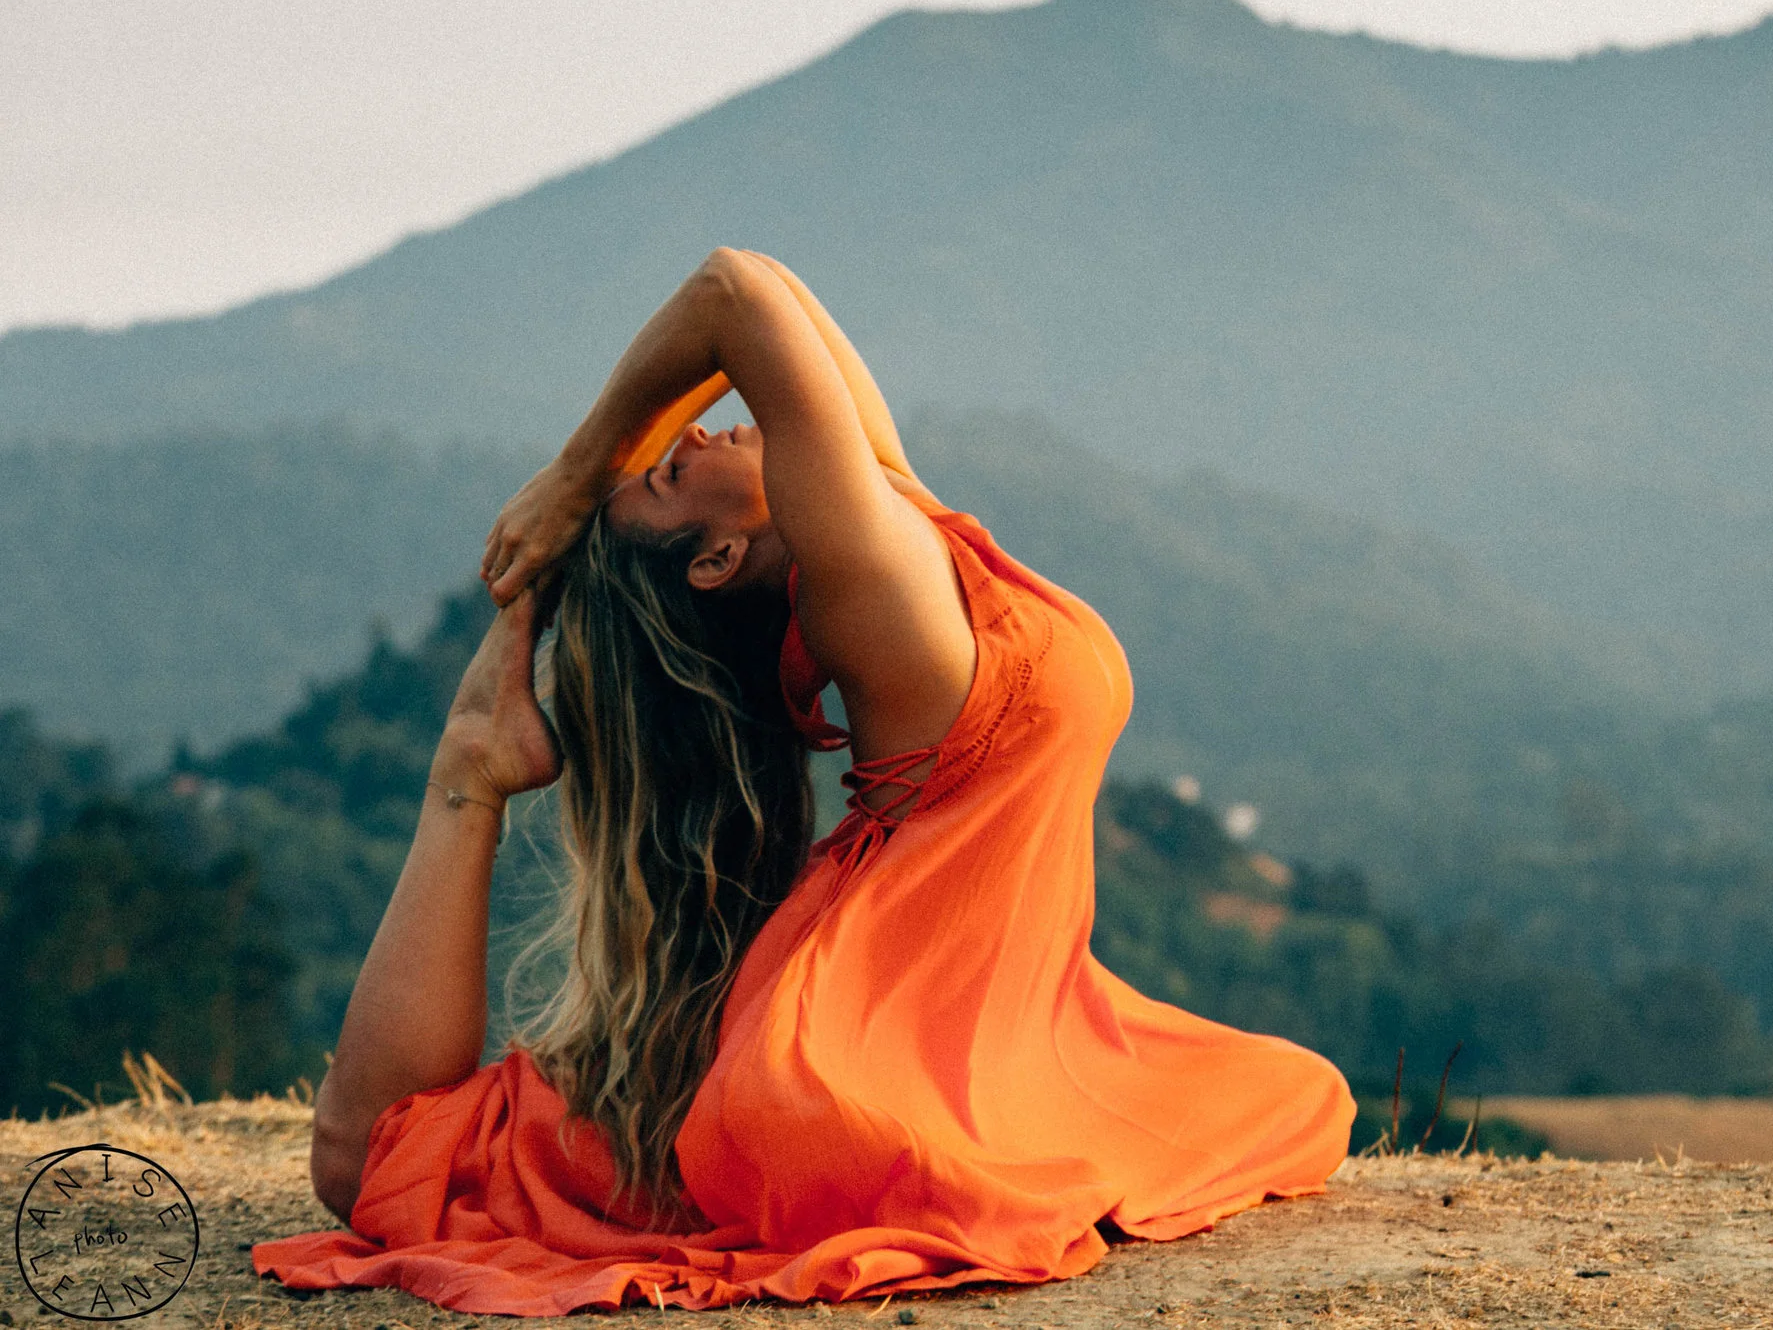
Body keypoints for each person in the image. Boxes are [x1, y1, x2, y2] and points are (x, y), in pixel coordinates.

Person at [252, 248, 1354, 1314]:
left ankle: (474, 776)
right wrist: (579, 475)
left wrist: (600, 473)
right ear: (720, 557)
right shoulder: (879, 596)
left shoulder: (898, 524)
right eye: (677, 472)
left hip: (982, 1013)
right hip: (875, 1033)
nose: (692, 430)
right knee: (372, 1167)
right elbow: (732, 294)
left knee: (1294, 1093)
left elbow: (773, 296)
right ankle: (469, 776)